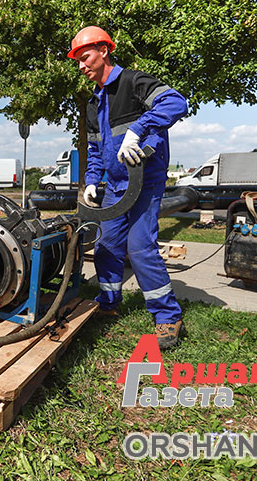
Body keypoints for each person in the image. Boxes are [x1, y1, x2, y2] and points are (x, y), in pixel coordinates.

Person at [68, 26, 188, 349]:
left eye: (85, 56)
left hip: (145, 181)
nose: (81, 65)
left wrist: (138, 129)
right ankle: (108, 303)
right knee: (107, 246)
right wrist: (92, 181)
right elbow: (95, 150)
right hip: (115, 185)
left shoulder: (134, 82)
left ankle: (167, 316)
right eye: (77, 60)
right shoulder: (93, 104)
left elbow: (176, 102)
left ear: (104, 51)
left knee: (139, 247)